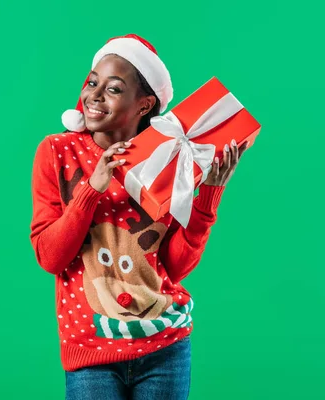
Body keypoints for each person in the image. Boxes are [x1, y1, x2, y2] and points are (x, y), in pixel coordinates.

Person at [29, 34, 248, 400]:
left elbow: (173, 268)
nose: (94, 95)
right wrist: (90, 191)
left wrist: (207, 196)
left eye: (113, 89)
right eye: (92, 82)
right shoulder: (57, 151)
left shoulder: (166, 159)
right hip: (92, 347)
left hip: (165, 345)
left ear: (145, 104)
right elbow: (50, 257)